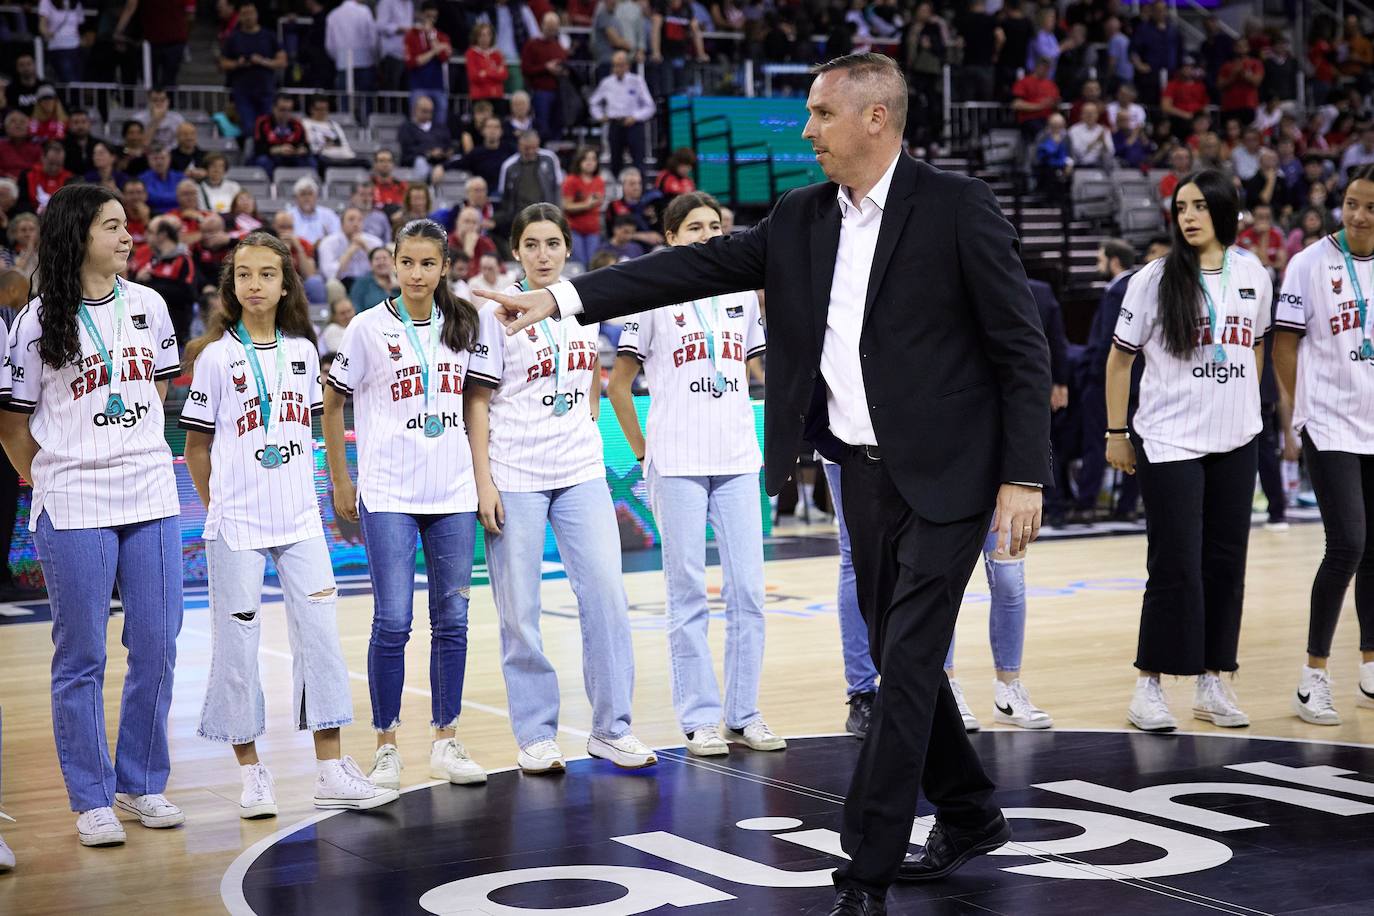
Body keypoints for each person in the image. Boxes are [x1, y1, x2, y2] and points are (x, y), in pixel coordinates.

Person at [474, 53, 1051, 915]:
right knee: (908, 660)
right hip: (859, 473)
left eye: (821, 115)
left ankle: (865, 871)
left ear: (876, 120)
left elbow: (1021, 347)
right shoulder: (801, 215)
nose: (807, 130)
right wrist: (561, 300)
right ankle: (969, 812)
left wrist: (1023, 475)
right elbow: (689, 269)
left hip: (954, 476)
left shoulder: (957, 208)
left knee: (903, 665)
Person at [180, 231, 398, 815]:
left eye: (267, 275)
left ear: (285, 285)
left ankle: (329, 766)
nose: (255, 284)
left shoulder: (303, 351)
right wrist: (217, 505)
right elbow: (196, 444)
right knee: (237, 646)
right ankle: (251, 774)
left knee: (322, 638)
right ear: (232, 284)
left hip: (301, 518)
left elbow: (307, 426)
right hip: (238, 525)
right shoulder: (216, 357)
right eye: (245, 274)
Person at [0, 184, 185, 848]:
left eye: (127, 225)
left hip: (151, 494)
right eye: (113, 226)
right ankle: (89, 798)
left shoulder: (150, 304)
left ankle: (139, 783)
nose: (128, 234)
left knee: (159, 643)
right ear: (80, 236)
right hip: (73, 502)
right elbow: (12, 423)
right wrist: (51, 477)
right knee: (81, 655)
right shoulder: (35, 320)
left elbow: (155, 392)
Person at [464, 202, 655, 775]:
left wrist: (587, 425)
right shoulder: (493, 312)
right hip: (515, 474)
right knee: (520, 612)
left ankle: (611, 728)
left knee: (606, 599)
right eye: (532, 244)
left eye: (552, 243)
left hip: (580, 471)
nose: (543, 254)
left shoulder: (584, 305)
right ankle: (535, 735)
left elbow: (592, 381)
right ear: (516, 252)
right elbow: (476, 401)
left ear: (568, 249)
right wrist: (483, 482)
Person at [606, 191, 781, 757]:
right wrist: (642, 455)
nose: (707, 235)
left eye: (715, 226)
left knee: (748, 592)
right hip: (676, 463)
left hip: (735, 458)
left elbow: (759, 370)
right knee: (686, 595)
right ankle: (700, 717)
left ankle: (745, 711)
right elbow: (618, 386)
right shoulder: (652, 295)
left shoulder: (743, 297)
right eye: (695, 227)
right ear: (671, 237)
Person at [324, 218, 489, 790]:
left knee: (454, 620)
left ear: (445, 268)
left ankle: (446, 738)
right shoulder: (366, 328)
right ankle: (387, 743)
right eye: (407, 262)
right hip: (389, 492)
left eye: (428, 263)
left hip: (453, 492)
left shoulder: (464, 323)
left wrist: (482, 481)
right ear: (393, 264)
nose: (417, 274)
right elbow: (332, 404)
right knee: (392, 620)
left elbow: (476, 407)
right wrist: (342, 483)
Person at [1106, 169, 1271, 735]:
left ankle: (1211, 679)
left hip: (1237, 438)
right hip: (1170, 439)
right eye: (1181, 208)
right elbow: (1120, 361)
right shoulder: (1153, 278)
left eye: (1200, 205)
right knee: (1176, 564)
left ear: (1225, 210)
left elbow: (1255, 347)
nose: (1190, 216)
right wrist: (1115, 433)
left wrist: (1255, 415)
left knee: (1226, 565)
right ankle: (1148, 684)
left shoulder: (1252, 272)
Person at [1274, 163, 1374, 726]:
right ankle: (1313, 678)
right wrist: (1300, 407)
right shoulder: (1308, 264)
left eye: (1371, 207)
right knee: (1347, 546)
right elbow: (1285, 342)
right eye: (1352, 203)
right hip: (1330, 421)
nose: (1359, 215)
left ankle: (1370, 664)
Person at [220, 0, 285, 152]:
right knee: (249, 128)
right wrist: (238, 63)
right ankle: (251, 157)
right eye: (244, 14)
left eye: (251, 13)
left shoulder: (269, 36)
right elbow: (223, 63)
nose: (248, 17)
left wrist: (262, 61)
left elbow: (282, 61)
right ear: (239, 17)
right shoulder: (233, 38)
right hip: (243, 92)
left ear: (257, 14)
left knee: (267, 127)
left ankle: (267, 155)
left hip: (266, 90)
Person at [589, 50, 656, 175]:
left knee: (638, 160)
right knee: (615, 160)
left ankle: (640, 188)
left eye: (620, 65)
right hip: (614, 123)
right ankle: (616, 187)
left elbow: (650, 106)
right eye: (614, 65)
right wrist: (600, 116)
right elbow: (593, 102)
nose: (617, 68)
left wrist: (635, 117)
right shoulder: (607, 82)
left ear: (627, 65)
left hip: (633, 124)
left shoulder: (636, 81)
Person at [403, 2, 452, 129]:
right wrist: (435, 50)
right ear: (421, 15)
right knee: (417, 121)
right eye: (428, 16)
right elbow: (413, 62)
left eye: (434, 17)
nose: (430, 20)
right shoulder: (411, 36)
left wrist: (432, 38)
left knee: (440, 121)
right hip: (418, 85)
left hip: (438, 86)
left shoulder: (441, 36)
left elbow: (444, 58)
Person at [562, 146, 605, 267]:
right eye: (586, 159)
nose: (590, 162)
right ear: (579, 161)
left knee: (593, 264)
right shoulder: (571, 180)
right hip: (575, 230)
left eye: (593, 159)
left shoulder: (599, 181)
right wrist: (586, 204)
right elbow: (567, 206)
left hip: (593, 230)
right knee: (579, 264)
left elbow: (599, 201)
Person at [465, 21, 509, 107]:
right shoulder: (471, 54)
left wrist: (485, 73)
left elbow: (504, 75)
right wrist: (495, 72)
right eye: (481, 35)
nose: (485, 38)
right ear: (476, 37)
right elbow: (474, 76)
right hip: (479, 97)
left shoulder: (497, 54)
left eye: (488, 34)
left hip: (497, 95)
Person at [349, 245, 400, 313]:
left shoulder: (402, 280)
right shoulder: (362, 283)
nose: (381, 262)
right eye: (377, 259)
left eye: (385, 258)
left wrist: (401, 287)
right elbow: (356, 307)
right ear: (370, 264)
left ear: (392, 261)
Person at [319, 284, 354, 354]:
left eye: (349, 311)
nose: (347, 316)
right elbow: (340, 353)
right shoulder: (332, 330)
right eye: (342, 313)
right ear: (334, 316)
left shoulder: (358, 327)